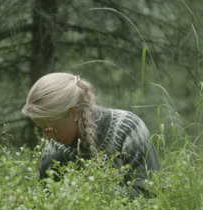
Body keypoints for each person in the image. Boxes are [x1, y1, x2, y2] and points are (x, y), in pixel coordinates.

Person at [22, 72, 160, 198]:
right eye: (42, 128)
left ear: (74, 113)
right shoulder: (55, 144)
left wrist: (99, 188)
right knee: (51, 163)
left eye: (51, 128)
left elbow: (148, 195)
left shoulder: (127, 128)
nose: (48, 137)